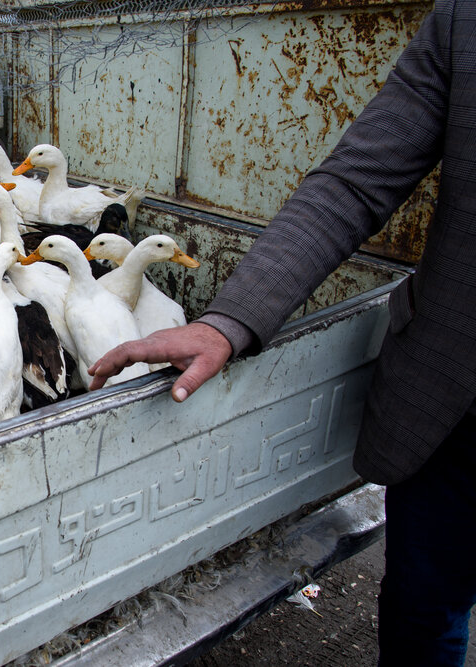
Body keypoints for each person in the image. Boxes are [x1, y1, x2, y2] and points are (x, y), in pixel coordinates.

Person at [87, 1, 476, 665]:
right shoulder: (463, 19)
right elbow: (352, 183)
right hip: (452, 401)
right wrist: (226, 322)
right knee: (424, 607)